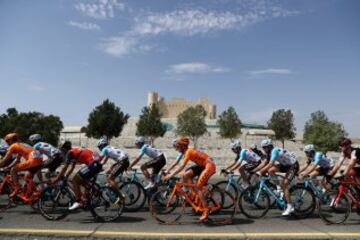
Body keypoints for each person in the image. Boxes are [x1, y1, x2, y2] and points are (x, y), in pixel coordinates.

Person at [163, 137, 216, 221]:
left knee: (198, 187)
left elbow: (182, 166)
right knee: (185, 175)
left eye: (177, 146)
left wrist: (170, 175)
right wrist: (170, 171)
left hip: (209, 166)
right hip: (202, 165)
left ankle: (206, 209)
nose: (176, 147)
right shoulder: (185, 151)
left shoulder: (188, 152)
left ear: (183, 146)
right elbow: (180, 165)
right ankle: (195, 196)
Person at [53, 141, 103, 210]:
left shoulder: (69, 153)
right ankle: (86, 201)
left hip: (93, 164)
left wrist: (57, 178)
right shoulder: (74, 152)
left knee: (75, 180)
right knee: (82, 180)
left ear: (64, 149)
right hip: (96, 164)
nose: (61, 152)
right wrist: (66, 176)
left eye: (61, 150)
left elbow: (65, 167)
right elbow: (72, 167)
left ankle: (78, 201)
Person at [257, 139, 299, 216]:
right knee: (270, 170)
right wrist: (255, 170)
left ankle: (290, 207)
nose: (263, 149)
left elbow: (270, 163)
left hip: (293, 166)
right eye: (263, 148)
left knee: (285, 185)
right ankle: (279, 187)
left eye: (264, 147)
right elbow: (265, 162)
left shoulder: (274, 151)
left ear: (269, 147)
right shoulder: (270, 152)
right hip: (286, 165)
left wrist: (260, 171)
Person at [2, 133, 42, 199]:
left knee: (13, 170)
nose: (7, 143)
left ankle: (17, 188)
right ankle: (33, 193)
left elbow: (4, 160)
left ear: (10, 140)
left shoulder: (13, 146)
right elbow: (17, 160)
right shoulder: (21, 144)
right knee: (27, 177)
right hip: (39, 160)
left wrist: (5, 166)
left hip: (33, 160)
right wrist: (8, 167)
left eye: (7, 141)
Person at [97, 136, 128, 202]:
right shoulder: (108, 148)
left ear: (102, 145)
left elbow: (99, 159)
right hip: (123, 161)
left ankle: (120, 196)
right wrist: (101, 165)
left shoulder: (104, 149)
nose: (99, 148)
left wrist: (95, 165)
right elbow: (104, 161)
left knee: (110, 178)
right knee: (108, 171)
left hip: (122, 162)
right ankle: (112, 186)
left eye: (99, 146)